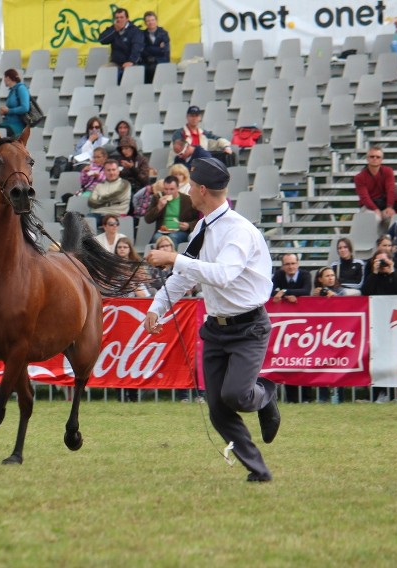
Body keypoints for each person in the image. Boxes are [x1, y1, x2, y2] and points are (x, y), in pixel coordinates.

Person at [144, 157, 280, 482]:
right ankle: (258, 471)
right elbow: (182, 276)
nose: (188, 191)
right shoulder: (203, 229)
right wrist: (156, 307)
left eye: (191, 186)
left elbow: (223, 275)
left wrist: (173, 257)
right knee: (218, 409)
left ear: (202, 190)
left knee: (237, 396)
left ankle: (266, 397)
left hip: (248, 327)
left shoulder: (239, 231)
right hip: (216, 329)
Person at [144, 175, 197, 246]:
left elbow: (198, 219)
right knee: (157, 237)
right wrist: (159, 207)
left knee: (173, 237)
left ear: (178, 188)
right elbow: (147, 219)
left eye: (172, 189)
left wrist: (188, 225)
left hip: (180, 231)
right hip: (162, 231)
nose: (168, 192)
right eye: (166, 189)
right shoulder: (158, 197)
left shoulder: (188, 200)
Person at [354, 146, 396, 233]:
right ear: (367, 158)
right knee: (373, 218)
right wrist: (375, 209)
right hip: (369, 207)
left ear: (382, 159)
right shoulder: (359, 177)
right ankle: (371, 244)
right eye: (372, 156)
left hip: (385, 205)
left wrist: (389, 206)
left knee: (392, 218)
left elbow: (390, 189)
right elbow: (365, 197)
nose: (375, 159)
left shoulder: (388, 171)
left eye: (378, 157)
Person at [98, 7, 144, 83]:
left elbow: (137, 48)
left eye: (122, 17)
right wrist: (115, 30)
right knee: (103, 70)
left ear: (127, 18)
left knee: (129, 75)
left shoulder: (135, 31)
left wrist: (131, 61)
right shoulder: (113, 29)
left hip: (131, 62)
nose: (119, 20)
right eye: (117, 18)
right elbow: (102, 40)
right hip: (116, 63)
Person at [0, 69, 30, 137]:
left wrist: (8, 111)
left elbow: (25, 108)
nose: (3, 80)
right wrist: (4, 111)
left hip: (17, 125)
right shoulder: (12, 91)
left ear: (7, 78)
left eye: (4, 78)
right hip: (9, 123)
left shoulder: (21, 88)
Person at [141, 11, 170, 84]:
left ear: (156, 21)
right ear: (145, 23)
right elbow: (142, 50)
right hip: (147, 61)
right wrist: (158, 49)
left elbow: (165, 50)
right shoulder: (142, 34)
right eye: (148, 21)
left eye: (152, 20)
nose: (150, 22)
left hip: (161, 61)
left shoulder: (163, 33)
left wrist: (150, 48)